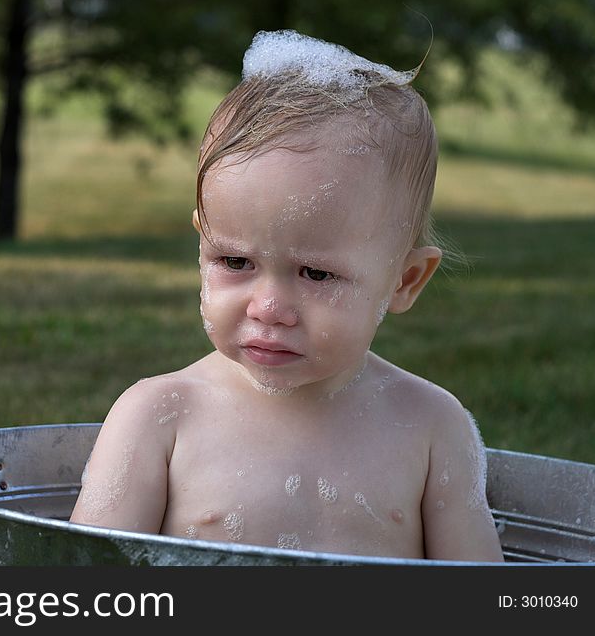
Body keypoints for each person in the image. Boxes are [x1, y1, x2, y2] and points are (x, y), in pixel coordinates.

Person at [70, 30, 504, 561]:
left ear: (405, 281)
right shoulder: (159, 416)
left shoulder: (432, 428)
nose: (268, 308)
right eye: (235, 262)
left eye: (315, 274)